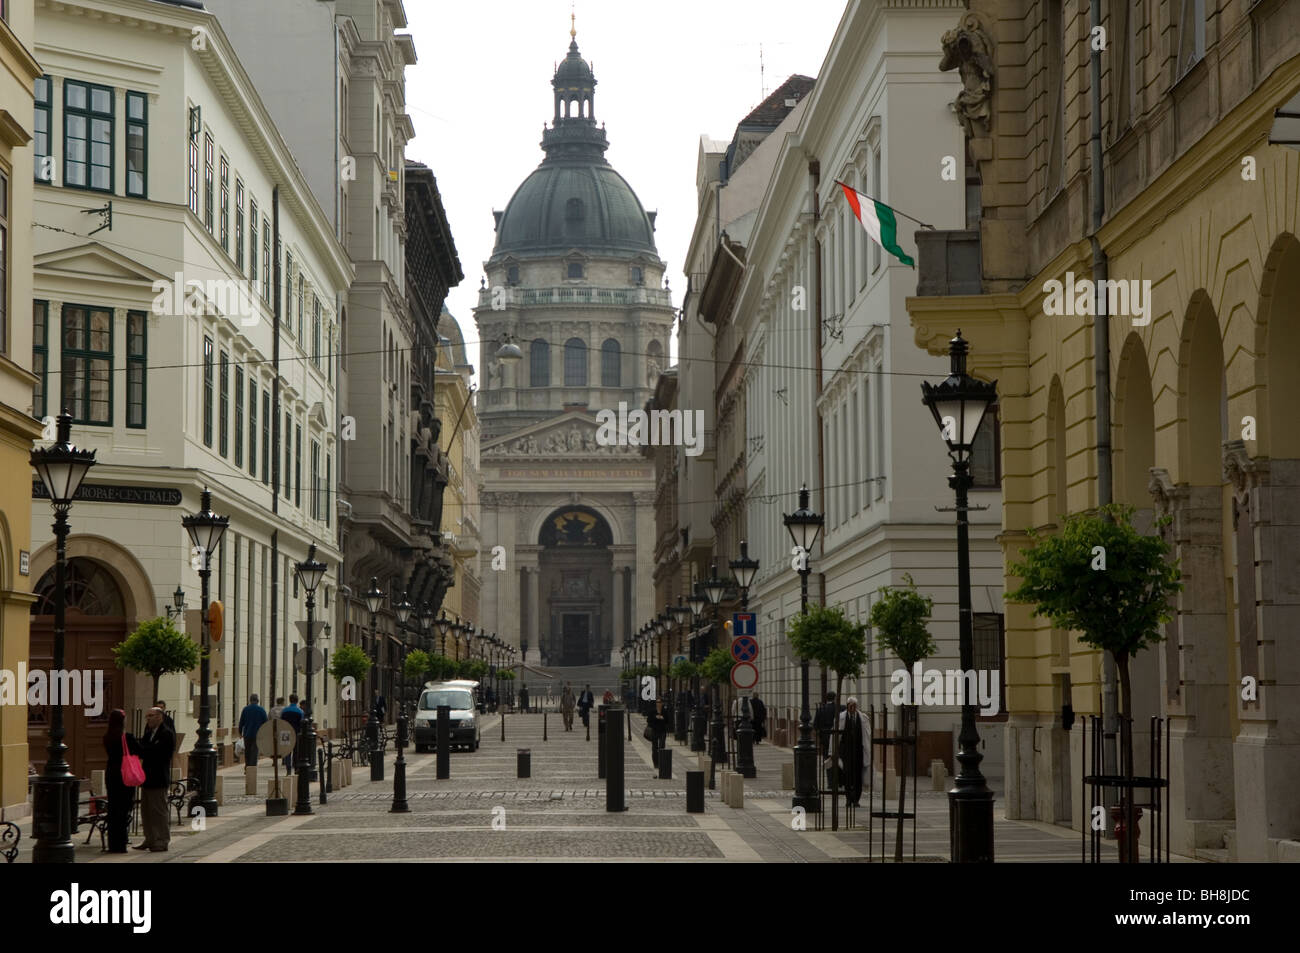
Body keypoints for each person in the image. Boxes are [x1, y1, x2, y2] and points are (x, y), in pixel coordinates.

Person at [135, 707, 174, 852]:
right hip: (147, 777)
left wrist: (146, 750)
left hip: (158, 778)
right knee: (146, 811)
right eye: (147, 716)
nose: (148, 719)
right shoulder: (148, 733)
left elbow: (159, 753)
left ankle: (162, 840)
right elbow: (142, 750)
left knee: (159, 810)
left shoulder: (166, 734)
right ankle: (149, 838)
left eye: (151, 715)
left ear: (160, 717)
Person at [102, 709, 141, 853]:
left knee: (113, 809)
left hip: (111, 774)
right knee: (123, 809)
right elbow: (139, 751)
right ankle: (121, 843)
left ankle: (113, 844)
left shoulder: (107, 737)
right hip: (125, 775)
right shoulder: (127, 737)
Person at [837, 697, 869, 807]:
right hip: (846, 753)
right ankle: (848, 799)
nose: (852, 708)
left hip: (859, 752)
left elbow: (867, 737)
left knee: (858, 777)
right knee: (847, 776)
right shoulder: (841, 718)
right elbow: (837, 736)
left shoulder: (863, 718)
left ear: (856, 706)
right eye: (850, 705)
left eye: (854, 706)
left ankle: (856, 799)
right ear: (847, 706)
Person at [238, 694, 268, 767]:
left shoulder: (245, 709)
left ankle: (247, 766)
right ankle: (252, 768)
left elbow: (241, 722)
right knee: (254, 752)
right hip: (257, 735)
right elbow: (266, 723)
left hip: (247, 734)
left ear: (250, 700)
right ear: (257, 701)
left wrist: (240, 732)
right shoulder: (261, 710)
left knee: (247, 752)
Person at [280, 694, 304, 771]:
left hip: (286, 732)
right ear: (297, 701)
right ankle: (296, 767)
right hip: (296, 732)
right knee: (296, 750)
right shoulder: (300, 711)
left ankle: (288, 768)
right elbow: (302, 723)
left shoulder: (284, 710)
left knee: (287, 751)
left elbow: (281, 722)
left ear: (290, 700)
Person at [813, 691, 838, 756]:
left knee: (825, 751)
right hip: (834, 733)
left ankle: (825, 763)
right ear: (835, 698)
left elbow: (815, 724)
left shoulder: (820, 709)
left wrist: (819, 732)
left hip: (824, 734)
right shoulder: (837, 708)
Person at [647, 698, 669, 768]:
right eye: (657, 702)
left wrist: (663, 718)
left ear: (662, 703)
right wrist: (655, 717)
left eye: (660, 702)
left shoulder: (664, 711)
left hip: (662, 731)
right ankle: (656, 763)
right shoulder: (652, 711)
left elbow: (668, 721)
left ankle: (661, 762)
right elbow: (648, 721)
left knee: (662, 747)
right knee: (654, 748)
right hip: (654, 731)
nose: (658, 704)